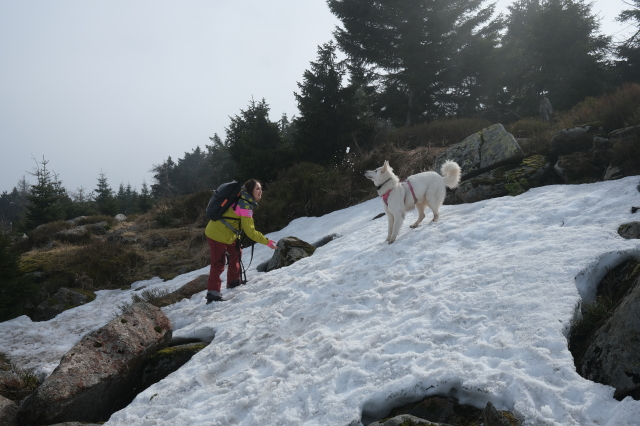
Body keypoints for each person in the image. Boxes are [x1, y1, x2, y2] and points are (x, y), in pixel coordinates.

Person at [204, 179, 276, 303]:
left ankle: (234, 281)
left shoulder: (242, 199)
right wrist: (268, 242)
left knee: (237, 253)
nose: (261, 191)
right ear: (250, 191)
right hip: (216, 234)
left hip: (227, 233)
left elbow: (234, 222)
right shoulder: (245, 205)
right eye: (257, 189)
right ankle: (213, 294)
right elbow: (251, 232)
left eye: (261, 189)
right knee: (218, 263)